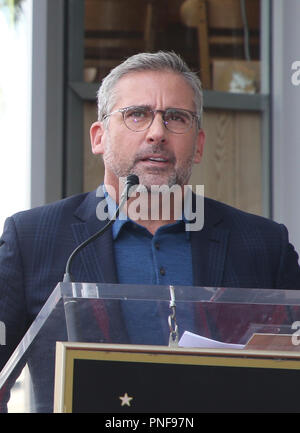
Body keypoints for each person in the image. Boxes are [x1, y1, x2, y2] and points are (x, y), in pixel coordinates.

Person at [0, 51, 300, 412]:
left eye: (176, 118)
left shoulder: (263, 245)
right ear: (99, 137)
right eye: (137, 115)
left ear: (200, 144)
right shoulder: (32, 239)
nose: (157, 133)